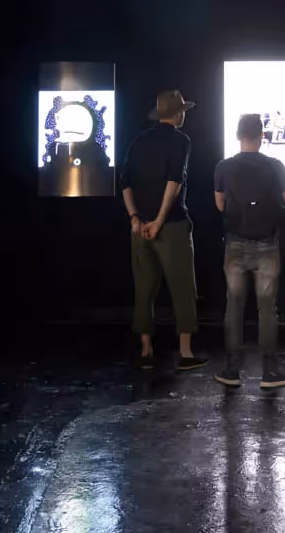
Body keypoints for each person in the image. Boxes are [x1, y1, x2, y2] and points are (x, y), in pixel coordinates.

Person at [120, 90, 207, 371]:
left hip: (140, 228)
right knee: (183, 287)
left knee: (144, 289)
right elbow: (174, 182)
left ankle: (146, 350)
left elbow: (125, 182)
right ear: (178, 114)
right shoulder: (181, 140)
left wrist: (135, 218)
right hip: (172, 226)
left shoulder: (138, 141)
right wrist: (158, 221)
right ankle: (185, 352)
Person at [213, 113, 285, 389]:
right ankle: (269, 373)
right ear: (262, 136)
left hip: (235, 244)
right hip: (267, 245)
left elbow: (219, 205)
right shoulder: (275, 166)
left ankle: (231, 370)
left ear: (238, 135)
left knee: (234, 307)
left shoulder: (223, 167)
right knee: (267, 309)